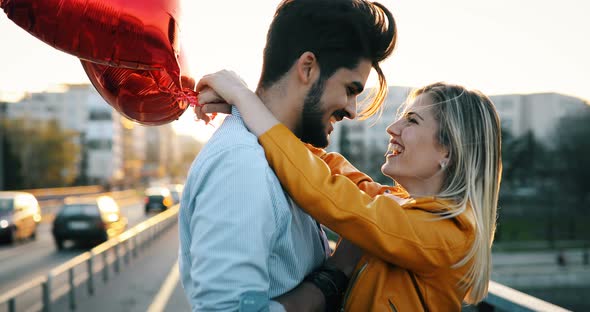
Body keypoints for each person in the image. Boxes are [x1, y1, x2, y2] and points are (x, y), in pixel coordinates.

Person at [196, 75, 503, 311]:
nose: (392, 127)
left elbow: (329, 194)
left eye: (412, 120)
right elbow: (330, 170)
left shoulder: (447, 236)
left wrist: (243, 97)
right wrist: (248, 108)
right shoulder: (398, 209)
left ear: (448, 151)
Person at [178, 0, 397, 311]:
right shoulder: (242, 165)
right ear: (307, 68)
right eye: (350, 89)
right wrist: (336, 274)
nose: (352, 110)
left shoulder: (286, 159)